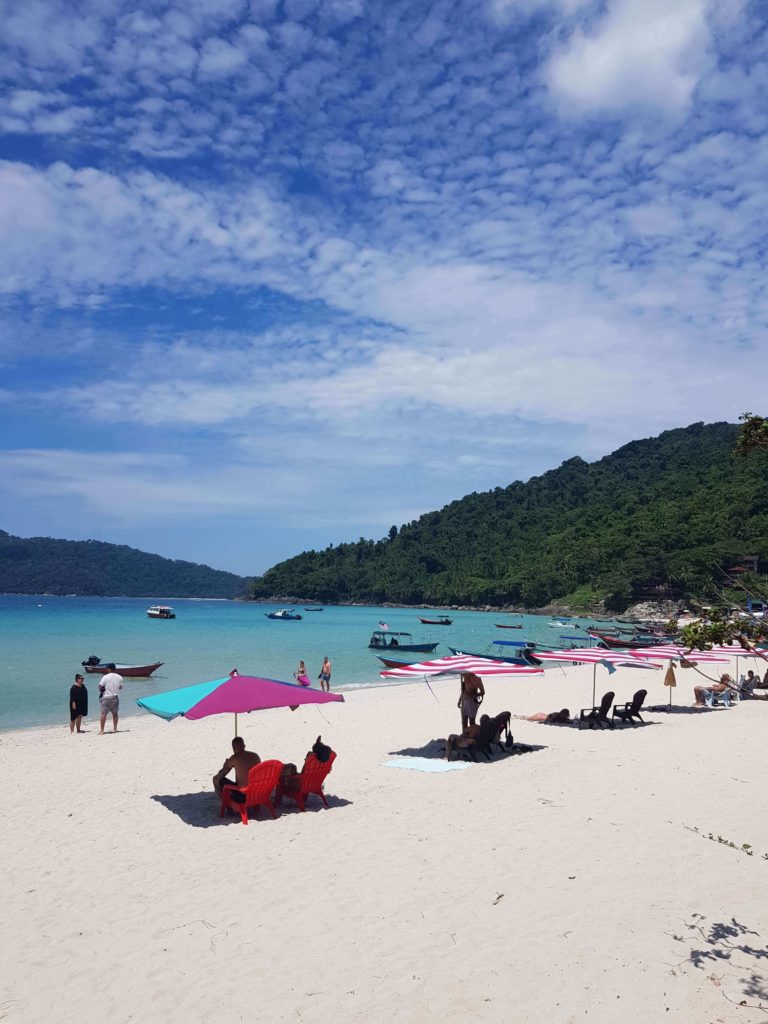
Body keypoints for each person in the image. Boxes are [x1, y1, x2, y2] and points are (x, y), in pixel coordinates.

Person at [277, 736, 333, 803]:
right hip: (315, 783)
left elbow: (302, 775)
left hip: (301, 784)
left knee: (288, 769)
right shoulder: (326, 764)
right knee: (291, 767)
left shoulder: (311, 760)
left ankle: (277, 800)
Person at [212, 736, 262, 804]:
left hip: (242, 795)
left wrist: (226, 764)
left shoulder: (234, 758)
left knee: (215, 779)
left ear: (233, 748)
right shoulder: (255, 756)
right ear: (244, 746)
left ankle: (225, 803)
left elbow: (220, 775)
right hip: (257, 792)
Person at [98, 663, 123, 734]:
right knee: (115, 714)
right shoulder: (119, 677)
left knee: (103, 714)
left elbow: (99, 686)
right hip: (115, 697)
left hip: (106, 697)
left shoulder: (105, 677)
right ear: (115, 668)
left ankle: (102, 730)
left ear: (109, 669)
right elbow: (120, 687)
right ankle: (115, 729)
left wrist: (103, 688)